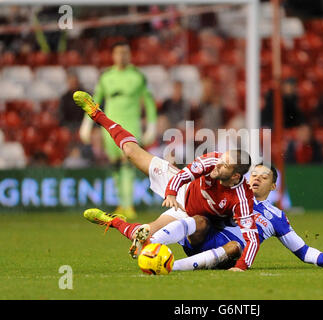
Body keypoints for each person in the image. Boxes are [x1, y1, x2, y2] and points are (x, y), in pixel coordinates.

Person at [73, 90, 260, 271]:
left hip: (197, 220)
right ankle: (97, 114)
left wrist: (242, 267)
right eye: (222, 159)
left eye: (225, 165)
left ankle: (115, 222)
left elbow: (252, 238)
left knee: (143, 242)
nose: (219, 165)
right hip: (182, 193)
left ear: (235, 176)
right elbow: (182, 176)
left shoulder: (242, 197)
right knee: (131, 152)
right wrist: (171, 193)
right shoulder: (212, 160)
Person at [171, 163, 323, 271]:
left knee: (235, 246)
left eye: (264, 177)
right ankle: (147, 242)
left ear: (273, 186)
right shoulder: (234, 193)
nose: (256, 179)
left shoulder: (276, 217)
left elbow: (303, 251)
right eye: (254, 175)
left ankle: (173, 266)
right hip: (201, 238)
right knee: (194, 220)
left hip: (230, 256)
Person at [79, 41, 158, 219]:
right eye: (118, 53)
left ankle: (129, 205)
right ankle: (121, 204)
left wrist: (151, 126)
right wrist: (86, 124)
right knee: (115, 166)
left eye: (125, 53)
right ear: (113, 55)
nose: (122, 56)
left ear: (130, 55)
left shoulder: (138, 76)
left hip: (131, 127)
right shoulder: (106, 77)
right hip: (109, 127)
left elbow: (149, 102)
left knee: (127, 165)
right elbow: (94, 101)